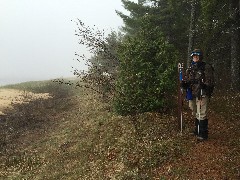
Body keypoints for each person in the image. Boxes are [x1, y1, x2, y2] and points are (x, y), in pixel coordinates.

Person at [181, 49, 214, 141]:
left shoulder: (206, 67)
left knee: (202, 113)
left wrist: (205, 86)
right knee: (194, 111)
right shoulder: (190, 68)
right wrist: (184, 84)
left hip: (202, 93)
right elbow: (187, 79)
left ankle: (203, 134)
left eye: (197, 56)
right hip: (192, 93)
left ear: (200, 57)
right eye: (193, 56)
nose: (195, 57)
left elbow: (210, 81)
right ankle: (197, 130)